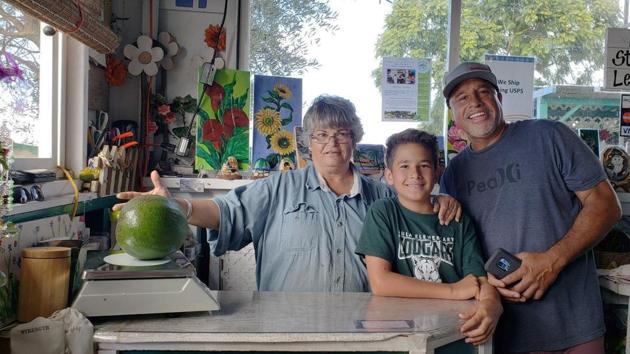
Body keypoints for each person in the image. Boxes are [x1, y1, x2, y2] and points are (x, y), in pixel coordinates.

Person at [115, 95, 462, 292]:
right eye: (321, 135)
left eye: (341, 133)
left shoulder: (382, 199)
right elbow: (225, 212)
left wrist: (439, 200)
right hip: (286, 329)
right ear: (308, 143)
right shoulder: (277, 189)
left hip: (365, 330)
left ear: (354, 139)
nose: (332, 144)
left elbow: (418, 216)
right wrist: (175, 206)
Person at [439, 61, 622, 353]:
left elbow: (607, 206)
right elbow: (457, 249)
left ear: (499, 97)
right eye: (462, 97)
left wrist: (553, 260)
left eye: (483, 91)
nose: (474, 102)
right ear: (453, 113)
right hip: (506, 331)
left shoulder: (549, 136)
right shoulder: (452, 175)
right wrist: (483, 283)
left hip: (575, 324)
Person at [355, 128, 501, 352]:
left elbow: (478, 281)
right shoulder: (383, 212)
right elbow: (380, 282)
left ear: (437, 171)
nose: (415, 174)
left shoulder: (458, 220)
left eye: (424, 165)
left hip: (453, 335)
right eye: (404, 166)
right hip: (400, 338)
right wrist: (453, 290)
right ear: (390, 175)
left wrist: (492, 305)